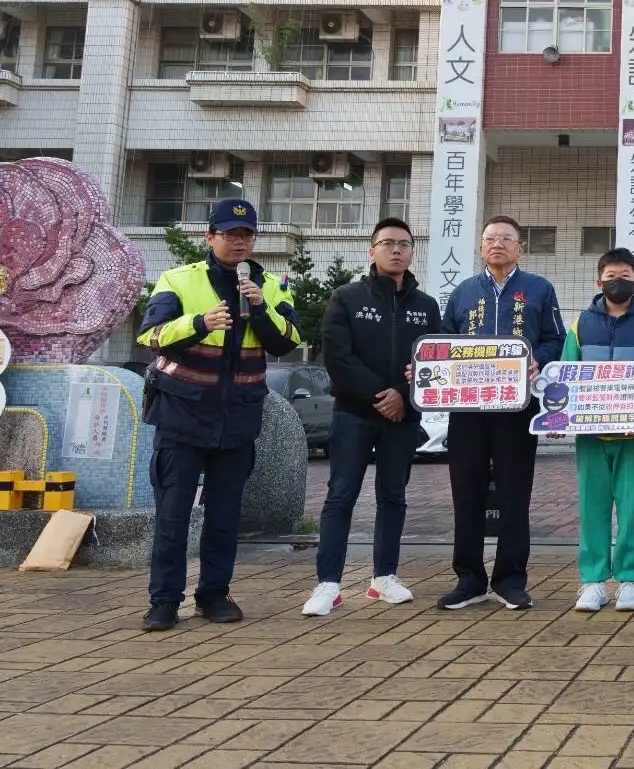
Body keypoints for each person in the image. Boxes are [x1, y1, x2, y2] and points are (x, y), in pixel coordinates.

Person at [136, 199, 302, 631]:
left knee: (226, 516)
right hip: (182, 415)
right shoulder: (177, 279)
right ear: (210, 238)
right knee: (173, 515)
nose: (239, 242)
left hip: (239, 418)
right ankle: (164, 601)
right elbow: (150, 336)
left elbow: (288, 341)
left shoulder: (269, 285)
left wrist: (260, 308)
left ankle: (214, 594)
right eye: (230, 234)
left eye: (246, 235)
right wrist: (199, 322)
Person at [303, 218, 441, 616]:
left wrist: (404, 396)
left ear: (413, 252)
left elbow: (433, 360)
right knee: (341, 495)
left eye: (404, 244)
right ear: (372, 251)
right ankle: (328, 584)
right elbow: (338, 357)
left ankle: (384, 578)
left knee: (393, 496)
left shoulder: (426, 306)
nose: (396, 250)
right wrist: (382, 394)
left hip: (403, 416)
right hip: (354, 414)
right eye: (387, 243)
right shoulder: (346, 297)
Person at [439, 216, 565, 611]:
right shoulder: (462, 292)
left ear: (519, 248)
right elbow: (443, 344)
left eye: (506, 239)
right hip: (468, 409)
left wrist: (538, 360)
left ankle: (510, 579)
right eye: (490, 239)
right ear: (481, 248)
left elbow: (555, 338)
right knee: (467, 493)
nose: (498, 244)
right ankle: (469, 579)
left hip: (516, 407)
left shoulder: (539, 290)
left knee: (514, 493)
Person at [565, 248, 634, 613]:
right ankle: (592, 581)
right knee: (592, 507)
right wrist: (560, 416)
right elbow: (567, 373)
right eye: (612, 275)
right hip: (591, 434)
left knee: (632, 509)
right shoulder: (581, 324)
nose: (618, 281)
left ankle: (630, 580)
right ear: (600, 281)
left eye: (626, 276)